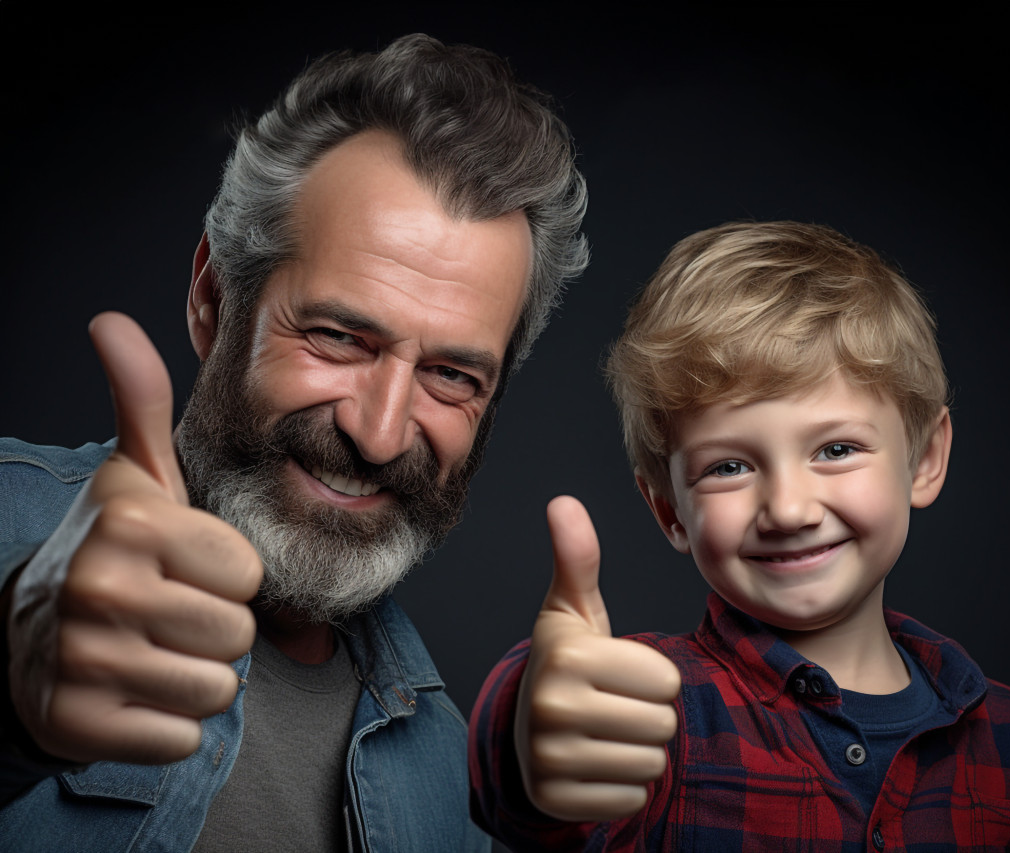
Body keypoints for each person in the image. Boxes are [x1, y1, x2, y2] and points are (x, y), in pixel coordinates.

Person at [0, 34, 587, 852]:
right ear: (214, 298)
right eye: (338, 336)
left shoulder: (449, 775)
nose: (378, 434)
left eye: (452, 375)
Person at [470, 222, 1010, 851]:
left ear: (923, 458)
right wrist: (529, 731)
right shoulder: (653, 711)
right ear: (669, 511)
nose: (787, 510)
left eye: (836, 450)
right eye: (729, 467)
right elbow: (546, 777)